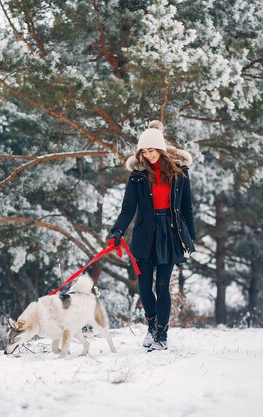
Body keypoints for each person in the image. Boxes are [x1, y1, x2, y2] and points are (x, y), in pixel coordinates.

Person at [110, 120, 196, 351]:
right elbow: (128, 209)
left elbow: (187, 209)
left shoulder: (180, 174)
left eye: (152, 150)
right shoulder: (138, 176)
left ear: (161, 149)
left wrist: (190, 239)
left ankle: (162, 335)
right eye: (144, 151)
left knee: (162, 286)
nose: (148, 155)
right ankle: (151, 328)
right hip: (144, 235)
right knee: (145, 286)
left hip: (169, 233)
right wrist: (117, 231)